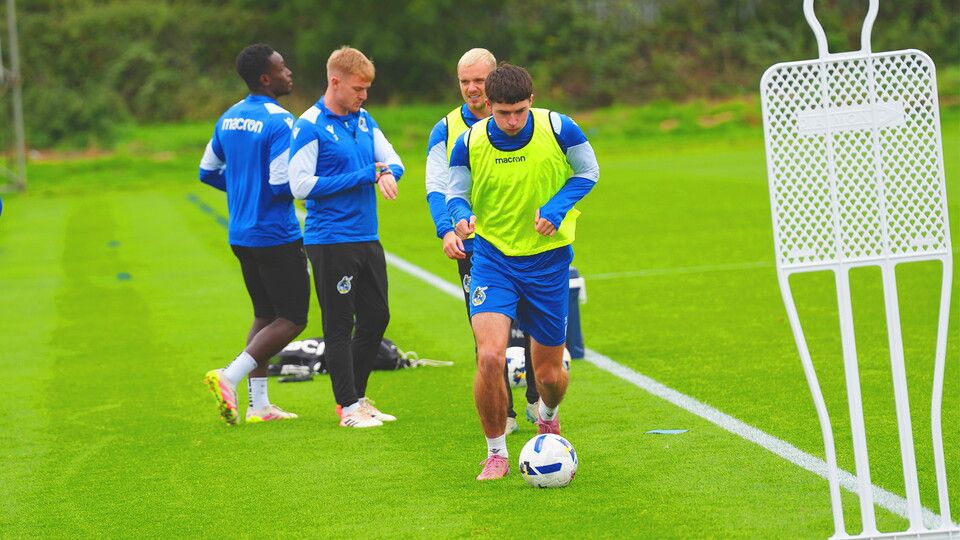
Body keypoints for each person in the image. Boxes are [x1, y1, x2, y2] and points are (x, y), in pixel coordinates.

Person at [446, 63, 599, 480]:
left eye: (519, 111)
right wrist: (460, 216)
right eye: (503, 113)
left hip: (548, 262)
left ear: (531, 101)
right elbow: (455, 194)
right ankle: (496, 452)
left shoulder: (560, 128)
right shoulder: (469, 141)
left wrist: (557, 208)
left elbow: (588, 171)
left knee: (549, 376)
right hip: (493, 260)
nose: (512, 121)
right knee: (490, 357)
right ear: (488, 105)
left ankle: (547, 415)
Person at [424, 48, 539, 437]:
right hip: (477, 247)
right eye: (464, 81)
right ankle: (504, 413)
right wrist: (446, 229)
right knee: (487, 334)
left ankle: (537, 399)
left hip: (527, 241)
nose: (472, 88)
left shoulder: (527, 120)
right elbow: (436, 186)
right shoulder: (446, 129)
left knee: (533, 323)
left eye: (478, 80)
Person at [288, 46, 403, 429]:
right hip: (330, 239)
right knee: (339, 325)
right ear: (335, 82)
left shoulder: (364, 120)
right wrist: (364, 175)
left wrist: (387, 173)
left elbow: (393, 160)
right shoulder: (309, 125)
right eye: (358, 88)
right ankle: (348, 408)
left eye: (367, 88)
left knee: (377, 316)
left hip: (366, 236)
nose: (364, 95)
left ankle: (358, 398)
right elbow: (300, 185)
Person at [200, 43, 309, 425]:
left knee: (266, 315)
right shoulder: (281, 121)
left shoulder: (229, 116)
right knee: (293, 318)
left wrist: (242, 189)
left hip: (241, 233)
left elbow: (207, 171)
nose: (288, 72)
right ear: (266, 78)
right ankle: (228, 377)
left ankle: (259, 405)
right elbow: (281, 185)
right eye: (282, 67)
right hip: (275, 233)